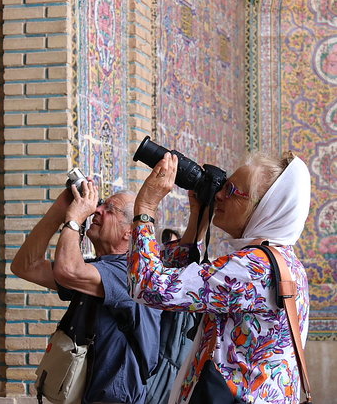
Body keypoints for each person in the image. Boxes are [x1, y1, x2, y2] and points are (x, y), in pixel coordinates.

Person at [127, 151, 311, 404]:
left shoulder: (253, 268)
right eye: (224, 185)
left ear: (264, 207)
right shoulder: (283, 260)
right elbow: (175, 278)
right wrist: (198, 221)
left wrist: (145, 209)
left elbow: (147, 286)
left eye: (232, 190)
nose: (219, 195)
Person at [11, 180, 161, 404]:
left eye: (109, 209)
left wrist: (74, 220)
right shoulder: (97, 269)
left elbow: (69, 270)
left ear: (130, 232)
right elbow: (26, 266)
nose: (97, 211)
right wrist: (61, 209)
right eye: (101, 204)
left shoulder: (130, 273)